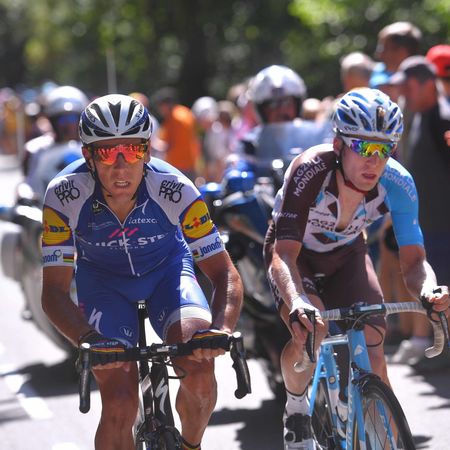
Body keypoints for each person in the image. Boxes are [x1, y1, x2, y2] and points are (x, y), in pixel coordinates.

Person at [40, 94, 243, 450]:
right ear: (87, 155)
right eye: (107, 153)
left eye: (132, 150)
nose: (121, 167)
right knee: (119, 402)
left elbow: (224, 272)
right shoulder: (64, 195)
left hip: (168, 273)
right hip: (103, 284)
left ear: (147, 151)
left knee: (198, 373)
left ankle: (190, 446)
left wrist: (222, 329)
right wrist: (87, 338)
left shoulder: (176, 189)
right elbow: (54, 292)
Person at [263, 88, 450, 449]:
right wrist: (298, 301)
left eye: (385, 149)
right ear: (338, 145)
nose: (374, 161)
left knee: (375, 355)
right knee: (311, 332)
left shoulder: (398, 182)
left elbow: (414, 262)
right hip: (295, 256)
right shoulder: (310, 170)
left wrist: (429, 290)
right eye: (364, 147)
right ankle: (297, 407)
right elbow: (283, 254)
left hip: (347, 254)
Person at [388, 56, 450, 369]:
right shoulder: (420, 116)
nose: (403, 93)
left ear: (428, 84)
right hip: (429, 224)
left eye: (408, 87)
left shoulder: (443, 118)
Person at [21, 85, 89, 202]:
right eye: (62, 119)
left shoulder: (94, 147)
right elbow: (27, 183)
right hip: (44, 208)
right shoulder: (35, 149)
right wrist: (25, 196)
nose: (68, 125)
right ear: (52, 121)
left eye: (73, 118)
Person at [152, 87, 201, 182]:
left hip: (177, 167)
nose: (160, 111)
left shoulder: (173, 119)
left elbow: (167, 146)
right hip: (191, 163)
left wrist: (152, 142)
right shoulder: (186, 112)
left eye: (160, 107)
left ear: (166, 105)